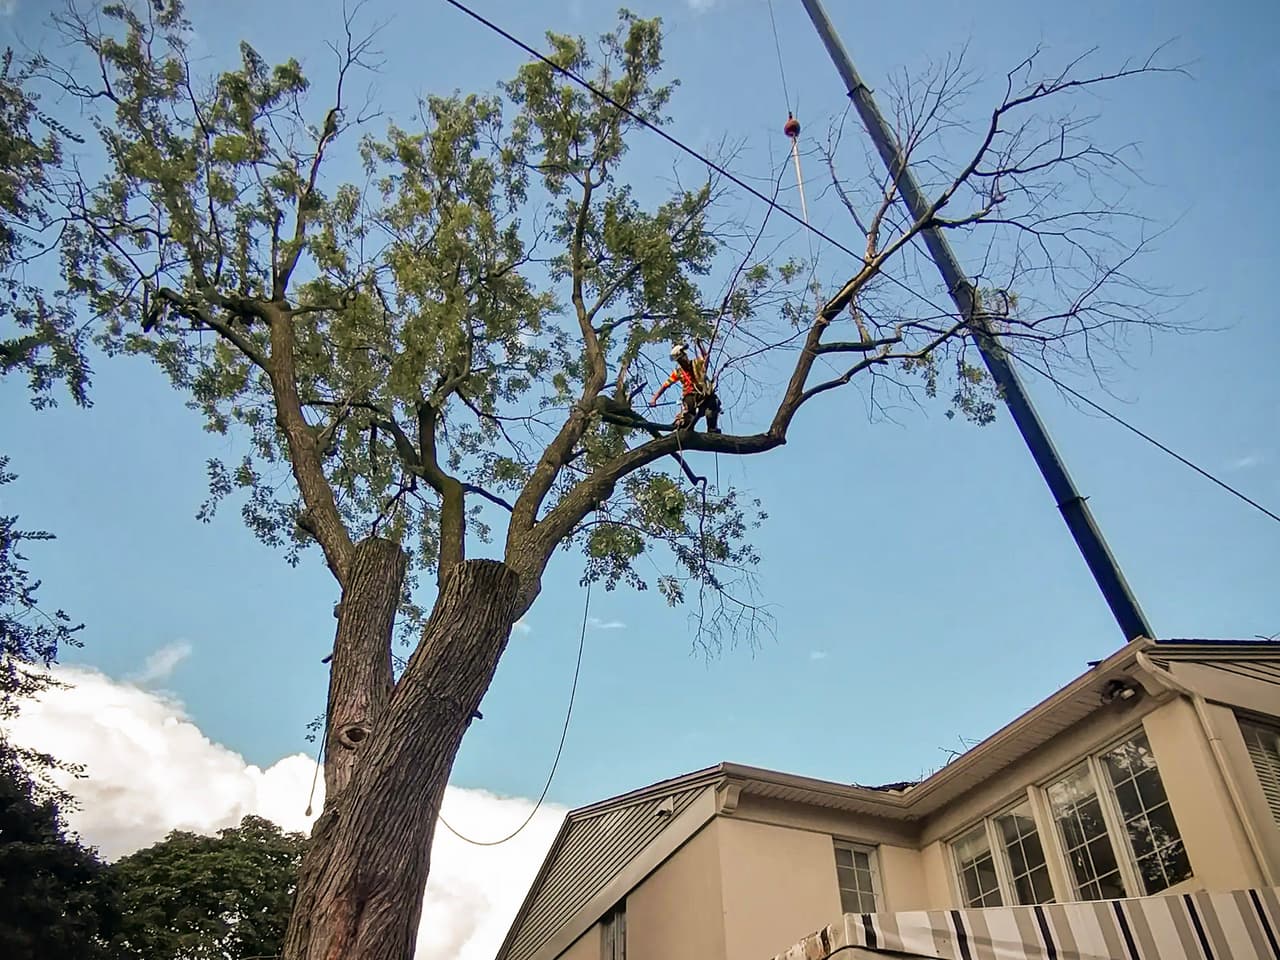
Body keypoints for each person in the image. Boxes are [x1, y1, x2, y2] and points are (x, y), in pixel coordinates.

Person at [650, 341, 721, 433]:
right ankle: (683, 427)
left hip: (703, 393)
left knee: (713, 403)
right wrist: (654, 399)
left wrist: (700, 345)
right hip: (689, 395)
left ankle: (712, 429)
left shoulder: (696, 363)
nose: (682, 361)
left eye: (682, 358)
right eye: (679, 360)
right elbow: (665, 385)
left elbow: (706, 358)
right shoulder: (678, 372)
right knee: (689, 411)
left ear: (685, 356)